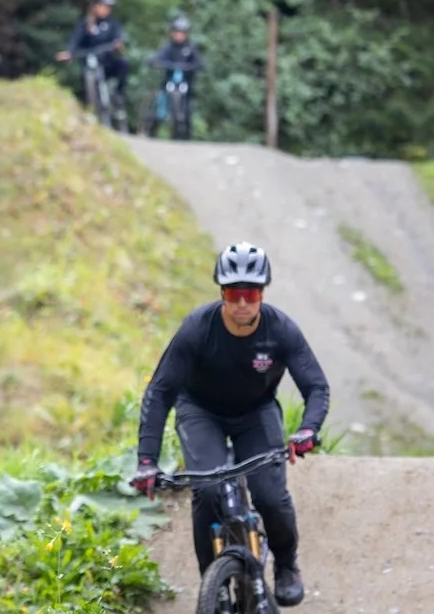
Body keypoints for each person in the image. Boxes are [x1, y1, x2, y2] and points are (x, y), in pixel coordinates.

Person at [129, 242, 330, 608]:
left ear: (262, 293)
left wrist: (308, 429)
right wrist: (146, 460)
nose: (242, 304)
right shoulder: (196, 330)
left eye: (250, 294)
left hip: (255, 413)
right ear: (222, 293)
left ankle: (286, 564)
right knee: (206, 492)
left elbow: (316, 386)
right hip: (200, 411)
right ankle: (213, 581)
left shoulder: (281, 330)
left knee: (270, 496)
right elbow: (160, 392)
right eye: (233, 294)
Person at [54, 0, 129, 99]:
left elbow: (118, 38)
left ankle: (118, 96)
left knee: (124, 64)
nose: (106, 9)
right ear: (95, 6)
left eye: (108, 7)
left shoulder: (113, 24)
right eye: (103, 6)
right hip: (89, 62)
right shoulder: (84, 24)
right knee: (83, 80)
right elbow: (75, 40)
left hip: (107, 61)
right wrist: (68, 53)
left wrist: (117, 45)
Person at [149, 15, 205, 137]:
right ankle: (152, 129)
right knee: (160, 104)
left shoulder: (190, 48)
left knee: (188, 109)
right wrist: (156, 62)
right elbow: (158, 57)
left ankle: (186, 134)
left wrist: (197, 66)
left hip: (186, 84)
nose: (179, 35)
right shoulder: (168, 47)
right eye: (177, 32)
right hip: (168, 82)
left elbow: (198, 61)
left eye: (182, 33)